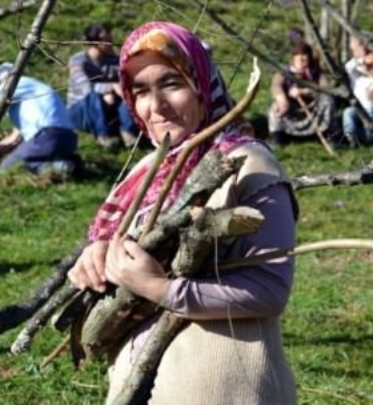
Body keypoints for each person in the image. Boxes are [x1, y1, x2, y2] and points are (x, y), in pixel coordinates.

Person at [66, 21, 297, 404]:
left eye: (172, 84)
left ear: (202, 83)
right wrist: (96, 257)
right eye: (140, 91)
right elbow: (122, 256)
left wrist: (159, 289)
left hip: (220, 388)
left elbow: (269, 291)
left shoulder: (249, 165)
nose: (155, 107)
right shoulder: (145, 174)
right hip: (137, 382)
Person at [67, 23, 139, 149]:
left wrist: (114, 90)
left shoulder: (114, 61)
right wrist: (110, 88)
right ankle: (103, 134)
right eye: (107, 41)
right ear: (94, 42)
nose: (111, 44)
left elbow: (125, 80)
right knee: (94, 96)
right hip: (81, 108)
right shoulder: (78, 61)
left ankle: (128, 131)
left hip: (107, 107)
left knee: (124, 91)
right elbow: (84, 87)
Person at [0, 63, 80, 175]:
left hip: (47, 136)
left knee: (8, 167)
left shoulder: (17, 83)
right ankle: (64, 164)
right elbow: (15, 138)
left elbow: (3, 95)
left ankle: (60, 167)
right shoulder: (30, 96)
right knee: (29, 163)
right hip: (67, 138)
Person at [267, 39, 337, 147]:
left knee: (328, 101)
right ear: (293, 58)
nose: (301, 58)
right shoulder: (285, 72)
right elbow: (276, 86)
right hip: (291, 109)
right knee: (275, 107)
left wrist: (304, 91)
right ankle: (278, 137)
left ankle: (327, 135)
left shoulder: (316, 72)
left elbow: (326, 89)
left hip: (312, 109)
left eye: (304, 55)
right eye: (297, 55)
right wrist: (282, 98)